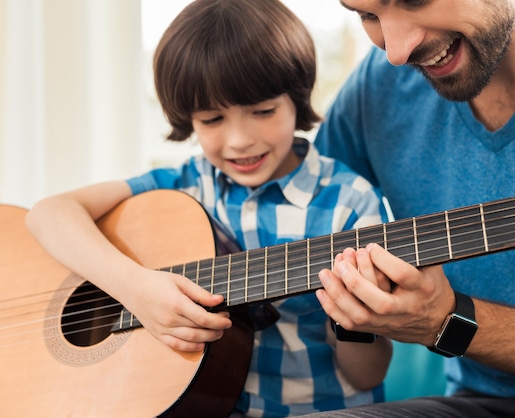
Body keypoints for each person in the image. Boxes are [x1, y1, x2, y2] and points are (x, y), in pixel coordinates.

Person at [25, 0, 393, 416]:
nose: (238, 140)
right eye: (212, 119)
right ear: (189, 119)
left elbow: (367, 377)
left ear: (296, 98)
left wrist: (355, 322)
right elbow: (48, 214)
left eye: (263, 111)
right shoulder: (181, 187)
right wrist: (136, 289)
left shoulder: (348, 202)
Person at [302, 0, 515, 416]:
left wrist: (449, 321)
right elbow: (292, 218)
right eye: (367, 15)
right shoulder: (378, 88)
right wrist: (194, 286)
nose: (397, 51)